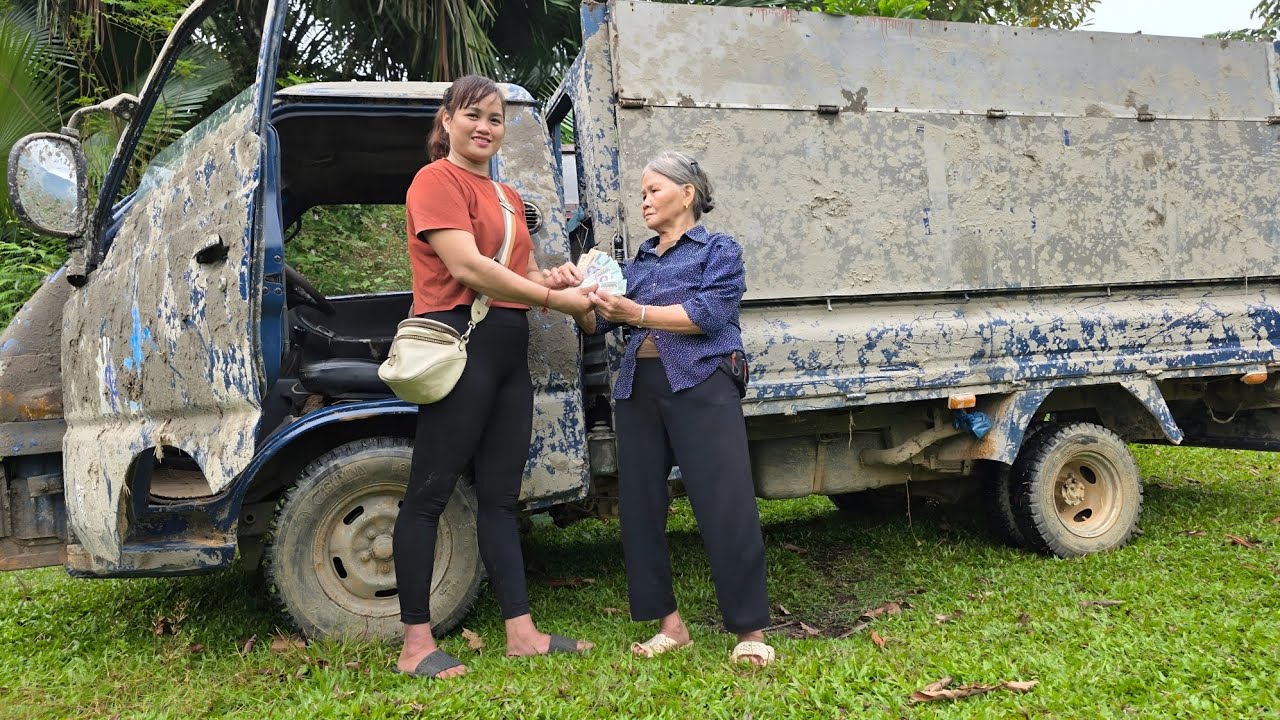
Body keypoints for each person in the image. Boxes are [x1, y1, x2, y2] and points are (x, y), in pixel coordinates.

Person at [394, 74, 594, 680]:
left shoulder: (508, 195)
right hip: (461, 341)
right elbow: (469, 268)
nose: (485, 126)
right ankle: (415, 645)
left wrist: (557, 282)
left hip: (510, 346)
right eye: (472, 115)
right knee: (429, 493)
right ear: (447, 120)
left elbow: (521, 270)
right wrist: (557, 303)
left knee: (503, 498)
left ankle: (522, 632)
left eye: (495, 118)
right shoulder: (435, 181)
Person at [573, 151, 774, 666]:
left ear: (688, 193)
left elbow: (710, 313)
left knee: (724, 502)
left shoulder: (718, 249)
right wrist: (582, 300)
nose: (645, 200)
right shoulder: (637, 262)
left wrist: (635, 311)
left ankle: (750, 633)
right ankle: (669, 624)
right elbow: (604, 326)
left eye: (655, 190)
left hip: (703, 381)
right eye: (641, 193)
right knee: (640, 507)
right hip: (639, 388)